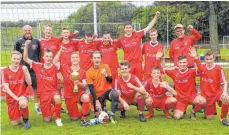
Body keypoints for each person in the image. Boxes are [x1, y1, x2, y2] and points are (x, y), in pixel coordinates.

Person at [23, 40, 63, 127]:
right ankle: (52, 108)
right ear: (43, 57)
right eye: (47, 56)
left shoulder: (55, 68)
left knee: (57, 98)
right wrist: (26, 46)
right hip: (43, 94)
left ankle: (58, 118)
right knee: (47, 120)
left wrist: (61, 80)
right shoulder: (38, 66)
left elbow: (61, 83)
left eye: (50, 56)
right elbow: (25, 58)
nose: (48, 58)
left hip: (53, 92)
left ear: (52, 58)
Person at [163, 47, 206, 119]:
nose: (182, 64)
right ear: (177, 63)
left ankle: (193, 112)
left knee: (202, 101)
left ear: (187, 63)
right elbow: (161, 70)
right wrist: (159, 59)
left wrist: (195, 57)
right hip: (180, 99)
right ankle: (183, 110)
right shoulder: (174, 72)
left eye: (184, 62)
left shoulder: (191, 71)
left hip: (191, 96)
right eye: (180, 62)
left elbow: (201, 70)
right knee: (177, 117)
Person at [116, 11, 160, 81]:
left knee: (139, 82)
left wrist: (156, 17)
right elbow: (113, 47)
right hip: (128, 65)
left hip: (138, 63)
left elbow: (149, 27)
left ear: (132, 28)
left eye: (129, 27)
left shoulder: (137, 34)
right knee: (128, 81)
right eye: (126, 28)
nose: (128, 29)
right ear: (124, 29)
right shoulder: (121, 39)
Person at [53, 47, 91, 126]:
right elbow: (54, 62)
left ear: (79, 59)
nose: (75, 59)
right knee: (74, 118)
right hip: (69, 95)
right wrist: (60, 51)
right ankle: (84, 110)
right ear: (70, 59)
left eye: (76, 57)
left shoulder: (83, 71)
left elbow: (85, 86)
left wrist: (78, 83)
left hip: (79, 94)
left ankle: (83, 118)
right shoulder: (65, 68)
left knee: (86, 98)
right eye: (73, 57)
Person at [191, 50, 229, 125]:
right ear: (204, 59)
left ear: (214, 58)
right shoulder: (201, 68)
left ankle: (223, 118)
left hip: (216, 93)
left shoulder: (218, 68)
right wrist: (195, 58)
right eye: (207, 59)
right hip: (205, 95)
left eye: (211, 59)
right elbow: (193, 74)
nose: (209, 61)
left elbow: (225, 82)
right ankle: (193, 111)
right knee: (208, 117)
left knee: (227, 99)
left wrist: (224, 92)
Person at [86, 51, 119, 124]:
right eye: (95, 58)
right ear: (91, 59)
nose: (96, 60)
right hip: (98, 94)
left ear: (101, 59)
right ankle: (103, 110)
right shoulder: (89, 72)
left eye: (98, 58)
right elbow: (91, 88)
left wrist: (106, 75)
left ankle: (112, 114)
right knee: (98, 116)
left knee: (115, 94)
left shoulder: (105, 67)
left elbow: (110, 81)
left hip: (107, 91)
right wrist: (96, 100)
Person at [14, 25, 41, 114]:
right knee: (20, 88)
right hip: (23, 69)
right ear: (23, 31)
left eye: (29, 30)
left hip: (34, 69)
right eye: (26, 30)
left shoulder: (36, 41)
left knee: (36, 88)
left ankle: (37, 106)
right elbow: (15, 55)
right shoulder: (18, 42)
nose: (27, 31)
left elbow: (39, 55)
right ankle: (19, 106)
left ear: (31, 30)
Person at [2, 50, 31, 129]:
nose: (16, 61)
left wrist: (26, 73)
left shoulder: (23, 68)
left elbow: (29, 83)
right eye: (14, 58)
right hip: (12, 98)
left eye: (18, 59)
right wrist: (16, 98)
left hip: (22, 94)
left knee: (22, 103)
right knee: (15, 123)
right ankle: (16, 112)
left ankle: (25, 119)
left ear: (20, 59)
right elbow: (6, 89)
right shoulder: (5, 71)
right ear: (11, 58)